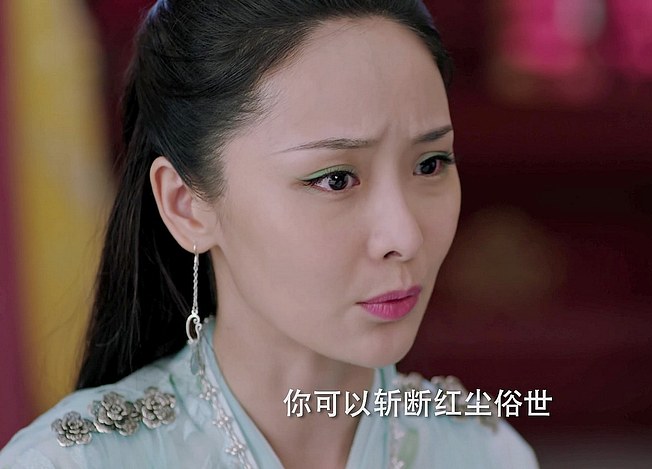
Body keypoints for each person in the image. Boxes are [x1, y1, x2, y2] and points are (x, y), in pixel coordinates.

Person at [0, 1, 539, 467]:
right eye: (335, 179)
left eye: (430, 164)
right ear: (187, 206)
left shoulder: (485, 453)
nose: (405, 235)